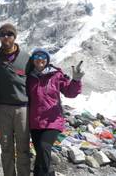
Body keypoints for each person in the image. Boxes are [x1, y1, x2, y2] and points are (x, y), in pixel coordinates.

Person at [26, 48, 83, 176]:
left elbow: (70, 93)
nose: (39, 59)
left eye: (43, 56)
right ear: (32, 60)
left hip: (53, 121)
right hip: (35, 122)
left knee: (43, 147)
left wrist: (76, 81)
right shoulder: (29, 77)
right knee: (41, 154)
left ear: (47, 60)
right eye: (36, 57)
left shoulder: (56, 75)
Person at [0, 23, 31, 176]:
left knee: (23, 148)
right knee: (6, 147)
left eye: (9, 34)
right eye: (2, 34)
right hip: (2, 108)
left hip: (22, 108)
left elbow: (38, 76)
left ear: (15, 37)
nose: (6, 37)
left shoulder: (26, 58)